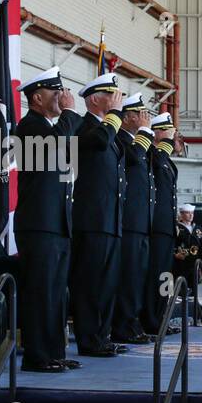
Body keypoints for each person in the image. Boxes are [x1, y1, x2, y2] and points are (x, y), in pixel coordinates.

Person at [12, 66, 78, 373]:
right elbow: (56, 145)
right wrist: (68, 113)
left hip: (55, 224)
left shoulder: (49, 127)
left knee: (56, 293)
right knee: (40, 293)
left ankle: (54, 352)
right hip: (38, 224)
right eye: (56, 92)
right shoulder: (29, 127)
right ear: (37, 98)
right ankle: (37, 356)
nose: (62, 96)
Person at [68, 72, 127, 358]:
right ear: (94, 99)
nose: (116, 100)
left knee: (106, 282)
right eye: (110, 95)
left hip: (109, 219)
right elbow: (101, 141)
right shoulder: (83, 127)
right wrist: (115, 115)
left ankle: (102, 335)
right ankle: (89, 339)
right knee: (90, 282)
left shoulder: (108, 130)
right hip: (91, 219)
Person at [110, 95, 154, 345]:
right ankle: (123, 325)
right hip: (127, 221)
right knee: (128, 277)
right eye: (139, 113)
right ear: (126, 118)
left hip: (139, 222)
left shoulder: (137, 142)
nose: (144, 117)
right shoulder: (121, 141)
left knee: (137, 277)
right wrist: (146, 134)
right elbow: (134, 159)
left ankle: (132, 322)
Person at [145, 112, 179, 334]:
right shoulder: (152, 155)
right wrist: (165, 141)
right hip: (155, 226)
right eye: (168, 133)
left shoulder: (166, 160)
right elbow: (155, 161)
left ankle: (161, 318)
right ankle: (151, 320)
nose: (174, 138)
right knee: (154, 275)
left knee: (164, 277)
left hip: (166, 227)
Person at [173, 203, 202, 325]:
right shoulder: (176, 227)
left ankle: (193, 317)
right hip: (180, 265)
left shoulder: (198, 229)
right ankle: (179, 317)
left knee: (194, 291)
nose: (191, 215)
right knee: (180, 291)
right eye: (188, 213)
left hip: (194, 265)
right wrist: (175, 254)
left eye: (192, 213)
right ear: (181, 214)